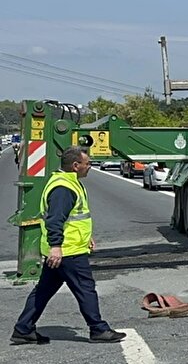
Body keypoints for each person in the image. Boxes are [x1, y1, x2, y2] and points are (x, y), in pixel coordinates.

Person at [11, 146, 126, 345]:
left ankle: (23, 329)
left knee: (44, 290)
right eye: (87, 163)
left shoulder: (68, 182)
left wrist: (86, 237)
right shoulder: (64, 188)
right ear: (75, 165)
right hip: (67, 251)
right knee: (86, 288)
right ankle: (98, 329)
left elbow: (74, 219)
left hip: (65, 248)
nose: (89, 167)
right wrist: (57, 247)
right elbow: (55, 220)